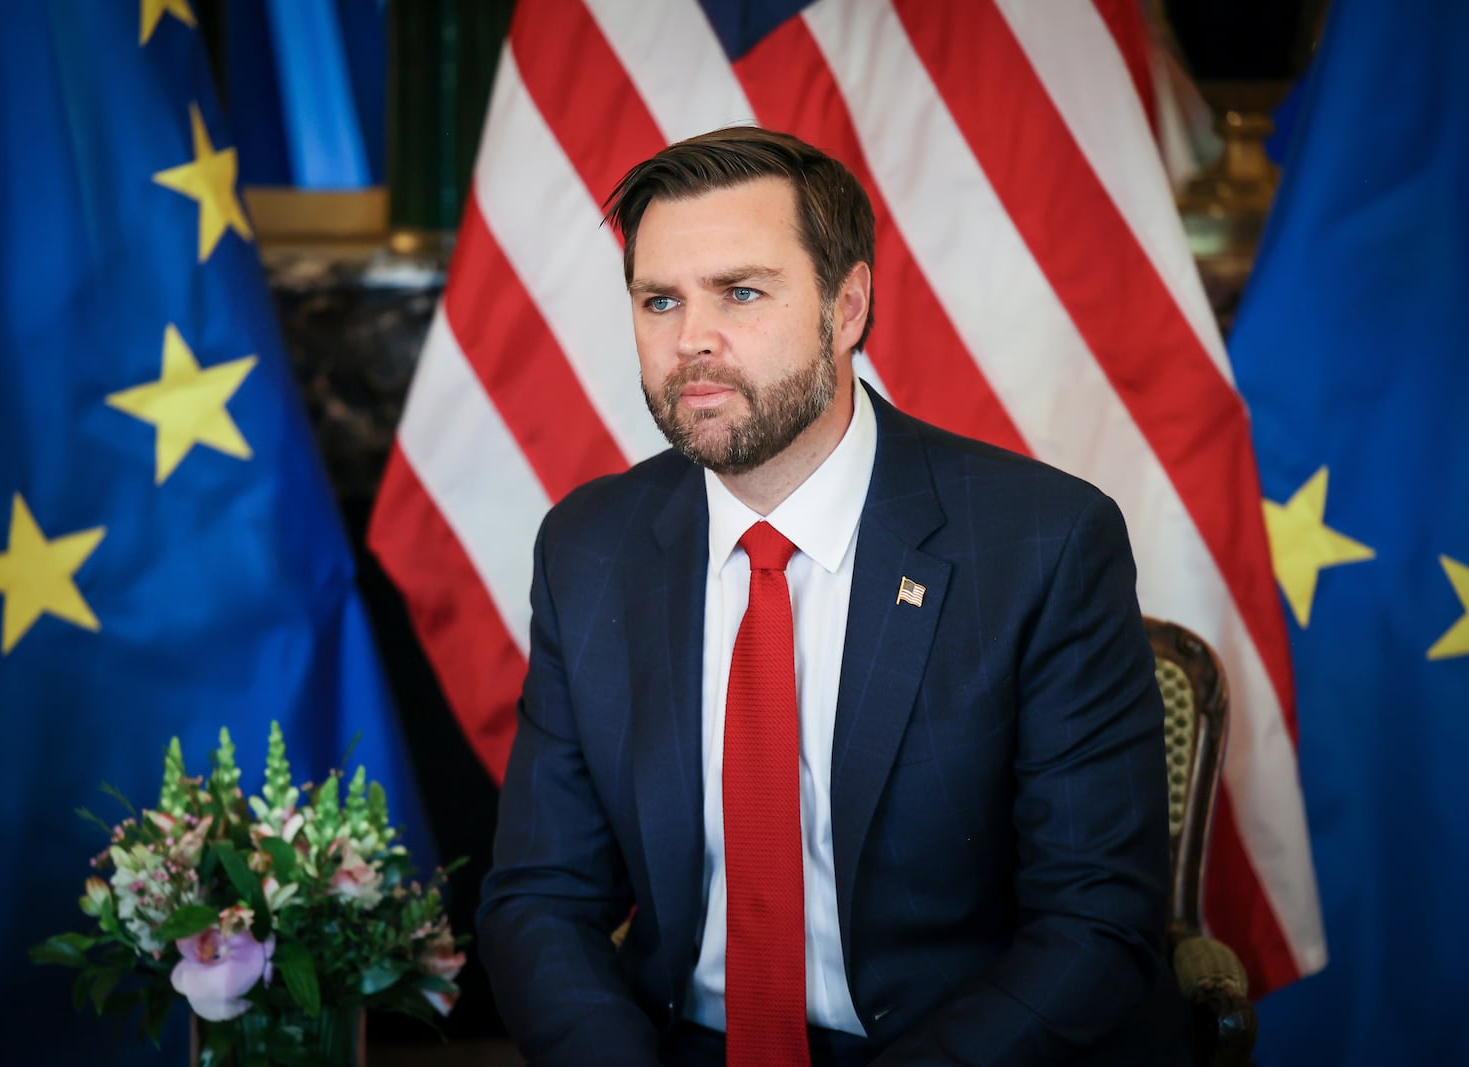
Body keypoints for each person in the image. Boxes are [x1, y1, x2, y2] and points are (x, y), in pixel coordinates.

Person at [477, 127, 1187, 1066]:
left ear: (846, 306)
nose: (692, 338)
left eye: (741, 291)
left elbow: (1096, 923)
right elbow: (541, 897)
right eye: (660, 300)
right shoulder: (589, 547)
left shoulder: (1044, 543)